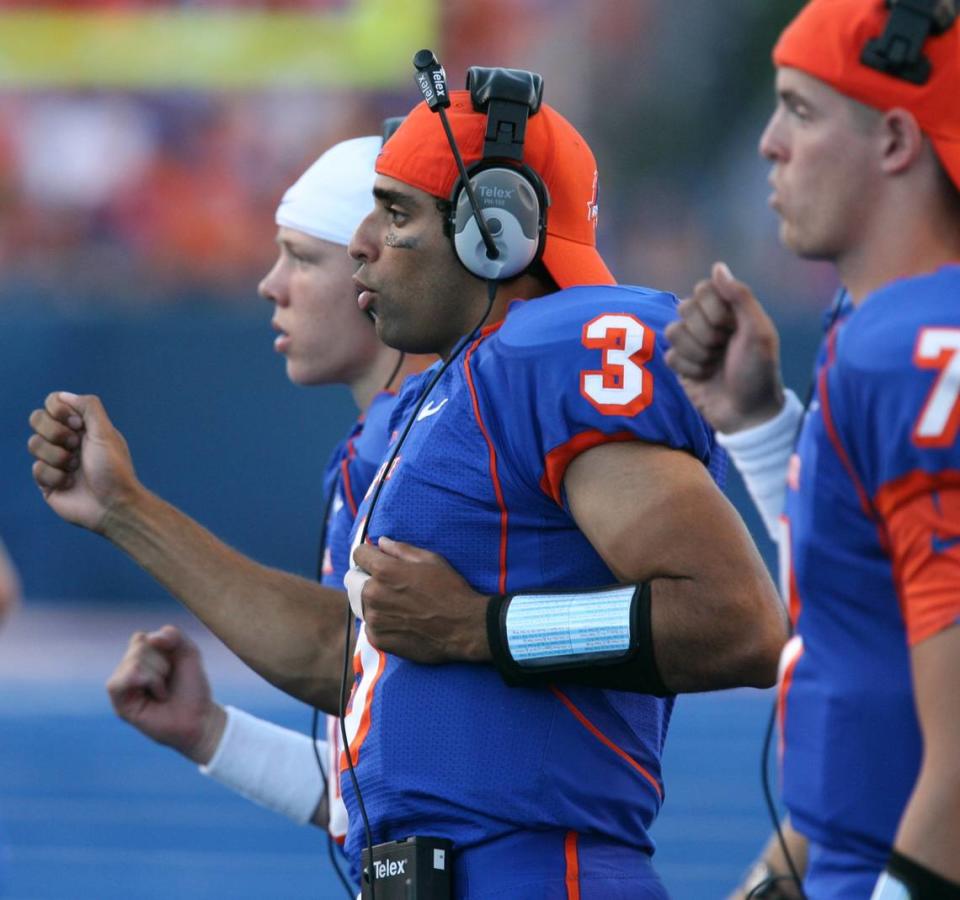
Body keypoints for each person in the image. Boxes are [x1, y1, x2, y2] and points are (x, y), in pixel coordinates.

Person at [30, 77, 786, 896]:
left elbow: (739, 622)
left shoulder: (553, 354)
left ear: (493, 234)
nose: (364, 242)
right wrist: (123, 513)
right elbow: (358, 657)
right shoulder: (441, 402)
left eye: (394, 214)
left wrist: (484, 627)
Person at [664, 1, 960, 897]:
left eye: (799, 108)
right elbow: (863, 634)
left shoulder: (914, 346)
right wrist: (758, 427)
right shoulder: (872, 327)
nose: (768, 143)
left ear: (897, 140)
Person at [77, 135, 428, 849]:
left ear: (379, 270)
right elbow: (387, 788)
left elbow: (343, 656)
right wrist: (211, 734)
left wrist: (127, 512)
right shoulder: (382, 446)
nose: (271, 284)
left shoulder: (437, 448)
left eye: (301, 257)